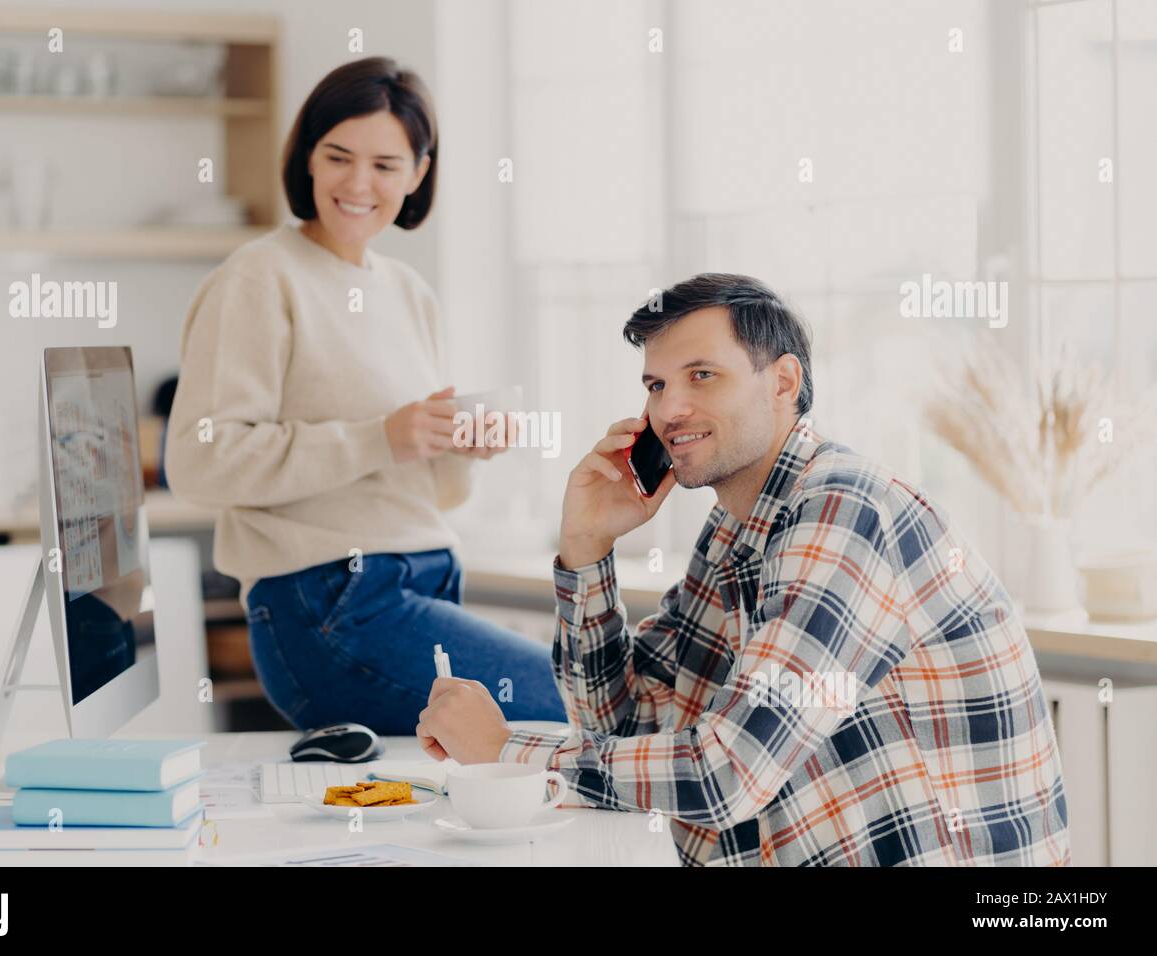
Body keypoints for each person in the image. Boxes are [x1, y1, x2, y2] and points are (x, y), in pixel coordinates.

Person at [416, 273, 1071, 866]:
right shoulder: (737, 524)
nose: (669, 411)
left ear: (783, 383)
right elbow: (622, 726)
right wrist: (586, 548)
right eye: (656, 384)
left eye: (702, 375)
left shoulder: (842, 514)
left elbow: (724, 774)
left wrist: (505, 753)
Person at [165, 57, 565, 734]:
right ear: (308, 161)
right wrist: (381, 435)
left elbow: (426, 494)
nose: (358, 183)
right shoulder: (260, 279)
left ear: (417, 174)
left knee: (537, 738)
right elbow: (200, 463)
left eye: (385, 164)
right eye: (338, 157)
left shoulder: (409, 293)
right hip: (331, 608)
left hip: (424, 582)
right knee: (584, 705)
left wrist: (458, 446)